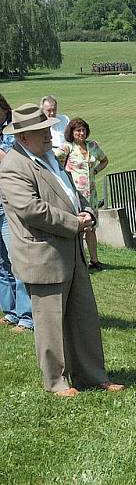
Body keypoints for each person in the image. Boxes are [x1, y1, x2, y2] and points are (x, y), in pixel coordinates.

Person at [0, 103, 123, 396]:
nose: (49, 135)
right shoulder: (13, 167)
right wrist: (74, 223)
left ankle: (93, 375)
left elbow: (74, 194)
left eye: (48, 129)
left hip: (72, 252)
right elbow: (32, 210)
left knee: (84, 318)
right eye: (41, 131)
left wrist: (89, 213)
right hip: (44, 256)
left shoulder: (50, 158)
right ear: (22, 137)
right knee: (50, 325)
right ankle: (56, 382)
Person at [54, 118, 109, 270]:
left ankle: (94, 260)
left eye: (83, 130)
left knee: (90, 227)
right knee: (76, 226)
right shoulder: (67, 148)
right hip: (75, 193)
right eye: (78, 130)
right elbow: (53, 161)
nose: (81, 133)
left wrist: (95, 170)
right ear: (71, 132)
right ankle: (77, 261)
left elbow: (104, 160)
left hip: (91, 193)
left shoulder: (92, 146)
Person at [0, 94, 34, 333]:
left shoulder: (13, 129)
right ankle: (10, 311)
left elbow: (10, 160)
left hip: (8, 204)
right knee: (1, 264)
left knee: (17, 260)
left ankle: (27, 316)